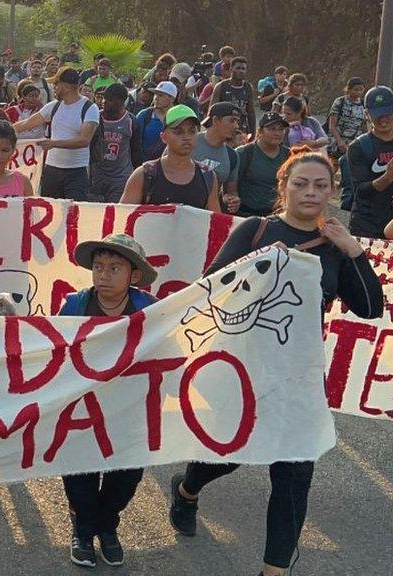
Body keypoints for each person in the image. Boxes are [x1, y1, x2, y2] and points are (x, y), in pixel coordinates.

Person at [170, 148, 383, 576]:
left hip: (298, 380)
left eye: (321, 185)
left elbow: (370, 308)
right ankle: (189, 488)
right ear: (283, 187)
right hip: (244, 373)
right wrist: (260, 269)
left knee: (292, 479)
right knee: (231, 454)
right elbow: (209, 288)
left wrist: (354, 252)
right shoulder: (256, 230)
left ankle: (274, 570)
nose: (311, 192)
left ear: (332, 191)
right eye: (301, 183)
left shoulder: (337, 248)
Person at [58, 233, 157, 568]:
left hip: (131, 410)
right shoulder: (74, 305)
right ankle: (84, 531)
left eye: (115, 268)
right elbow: (55, 350)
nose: (104, 274)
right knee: (80, 471)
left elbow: (167, 352)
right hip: (82, 408)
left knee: (126, 477)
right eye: (98, 267)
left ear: (135, 276)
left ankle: (107, 523)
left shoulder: (150, 309)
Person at [12, 67, 99, 200]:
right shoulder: (53, 106)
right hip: (52, 170)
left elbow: (84, 140)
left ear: (67, 86)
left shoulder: (89, 108)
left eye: (56, 84)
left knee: (73, 214)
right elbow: (25, 124)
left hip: (76, 172)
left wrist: (54, 144)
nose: (54, 87)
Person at [120, 105, 221, 212]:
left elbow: (216, 223)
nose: (186, 137)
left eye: (192, 131)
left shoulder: (207, 176)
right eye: (178, 132)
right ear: (163, 137)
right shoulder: (145, 174)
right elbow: (121, 218)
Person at [347, 86, 393, 239]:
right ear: (367, 114)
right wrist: (387, 177)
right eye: (377, 115)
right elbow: (360, 191)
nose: (383, 119)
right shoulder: (359, 146)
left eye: (388, 113)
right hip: (367, 226)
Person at [90, 83, 142, 203]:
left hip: (120, 178)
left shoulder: (131, 121)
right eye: (104, 98)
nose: (104, 101)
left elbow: (136, 151)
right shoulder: (95, 118)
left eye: (109, 99)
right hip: (97, 177)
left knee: (115, 213)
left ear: (121, 101)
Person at [235, 112, 292, 217]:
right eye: (272, 129)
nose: (277, 133)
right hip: (246, 214)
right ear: (260, 131)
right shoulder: (244, 153)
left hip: (277, 215)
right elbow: (231, 184)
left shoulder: (289, 155)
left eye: (281, 129)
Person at [193, 102, 244, 214]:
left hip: (209, 217)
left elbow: (230, 191)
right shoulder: (189, 142)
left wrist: (231, 200)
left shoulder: (232, 156)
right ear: (215, 120)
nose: (236, 126)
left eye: (237, 121)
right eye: (232, 120)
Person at [209, 56, 256, 136]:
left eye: (243, 69)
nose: (241, 71)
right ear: (231, 69)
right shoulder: (221, 86)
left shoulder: (248, 87)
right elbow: (212, 111)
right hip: (223, 130)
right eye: (238, 68)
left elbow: (251, 111)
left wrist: (253, 132)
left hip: (241, 130)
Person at [327, 77, 369, 160]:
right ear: (348, 89)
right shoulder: (340, 101)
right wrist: (339, 141)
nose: (358, 92)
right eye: (355, 90)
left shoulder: (363, 104)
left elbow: (364, 126)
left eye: (361, 90)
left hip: (354, 143)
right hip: (337, 142)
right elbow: (332, 125)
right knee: (333, 166)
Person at [134, 81, 177, 161]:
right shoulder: (145, 115)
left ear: (172, 99)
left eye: (160, 95)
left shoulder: (178, 118)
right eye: (155, 94)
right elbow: (133, 141)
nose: (156, 98)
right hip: (145, 166)